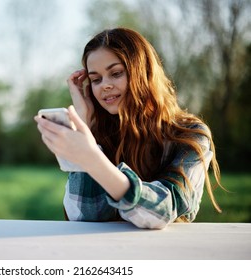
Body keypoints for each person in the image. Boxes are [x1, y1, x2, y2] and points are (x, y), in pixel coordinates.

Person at [34, 27, 222, 229]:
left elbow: (164, 210)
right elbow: (83, 216)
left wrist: (92, 159)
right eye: (96, 79)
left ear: (143, 73)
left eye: (115, 73)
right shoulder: (97, 133)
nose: (105, 85)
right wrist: (85, 125)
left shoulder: (189, 135)